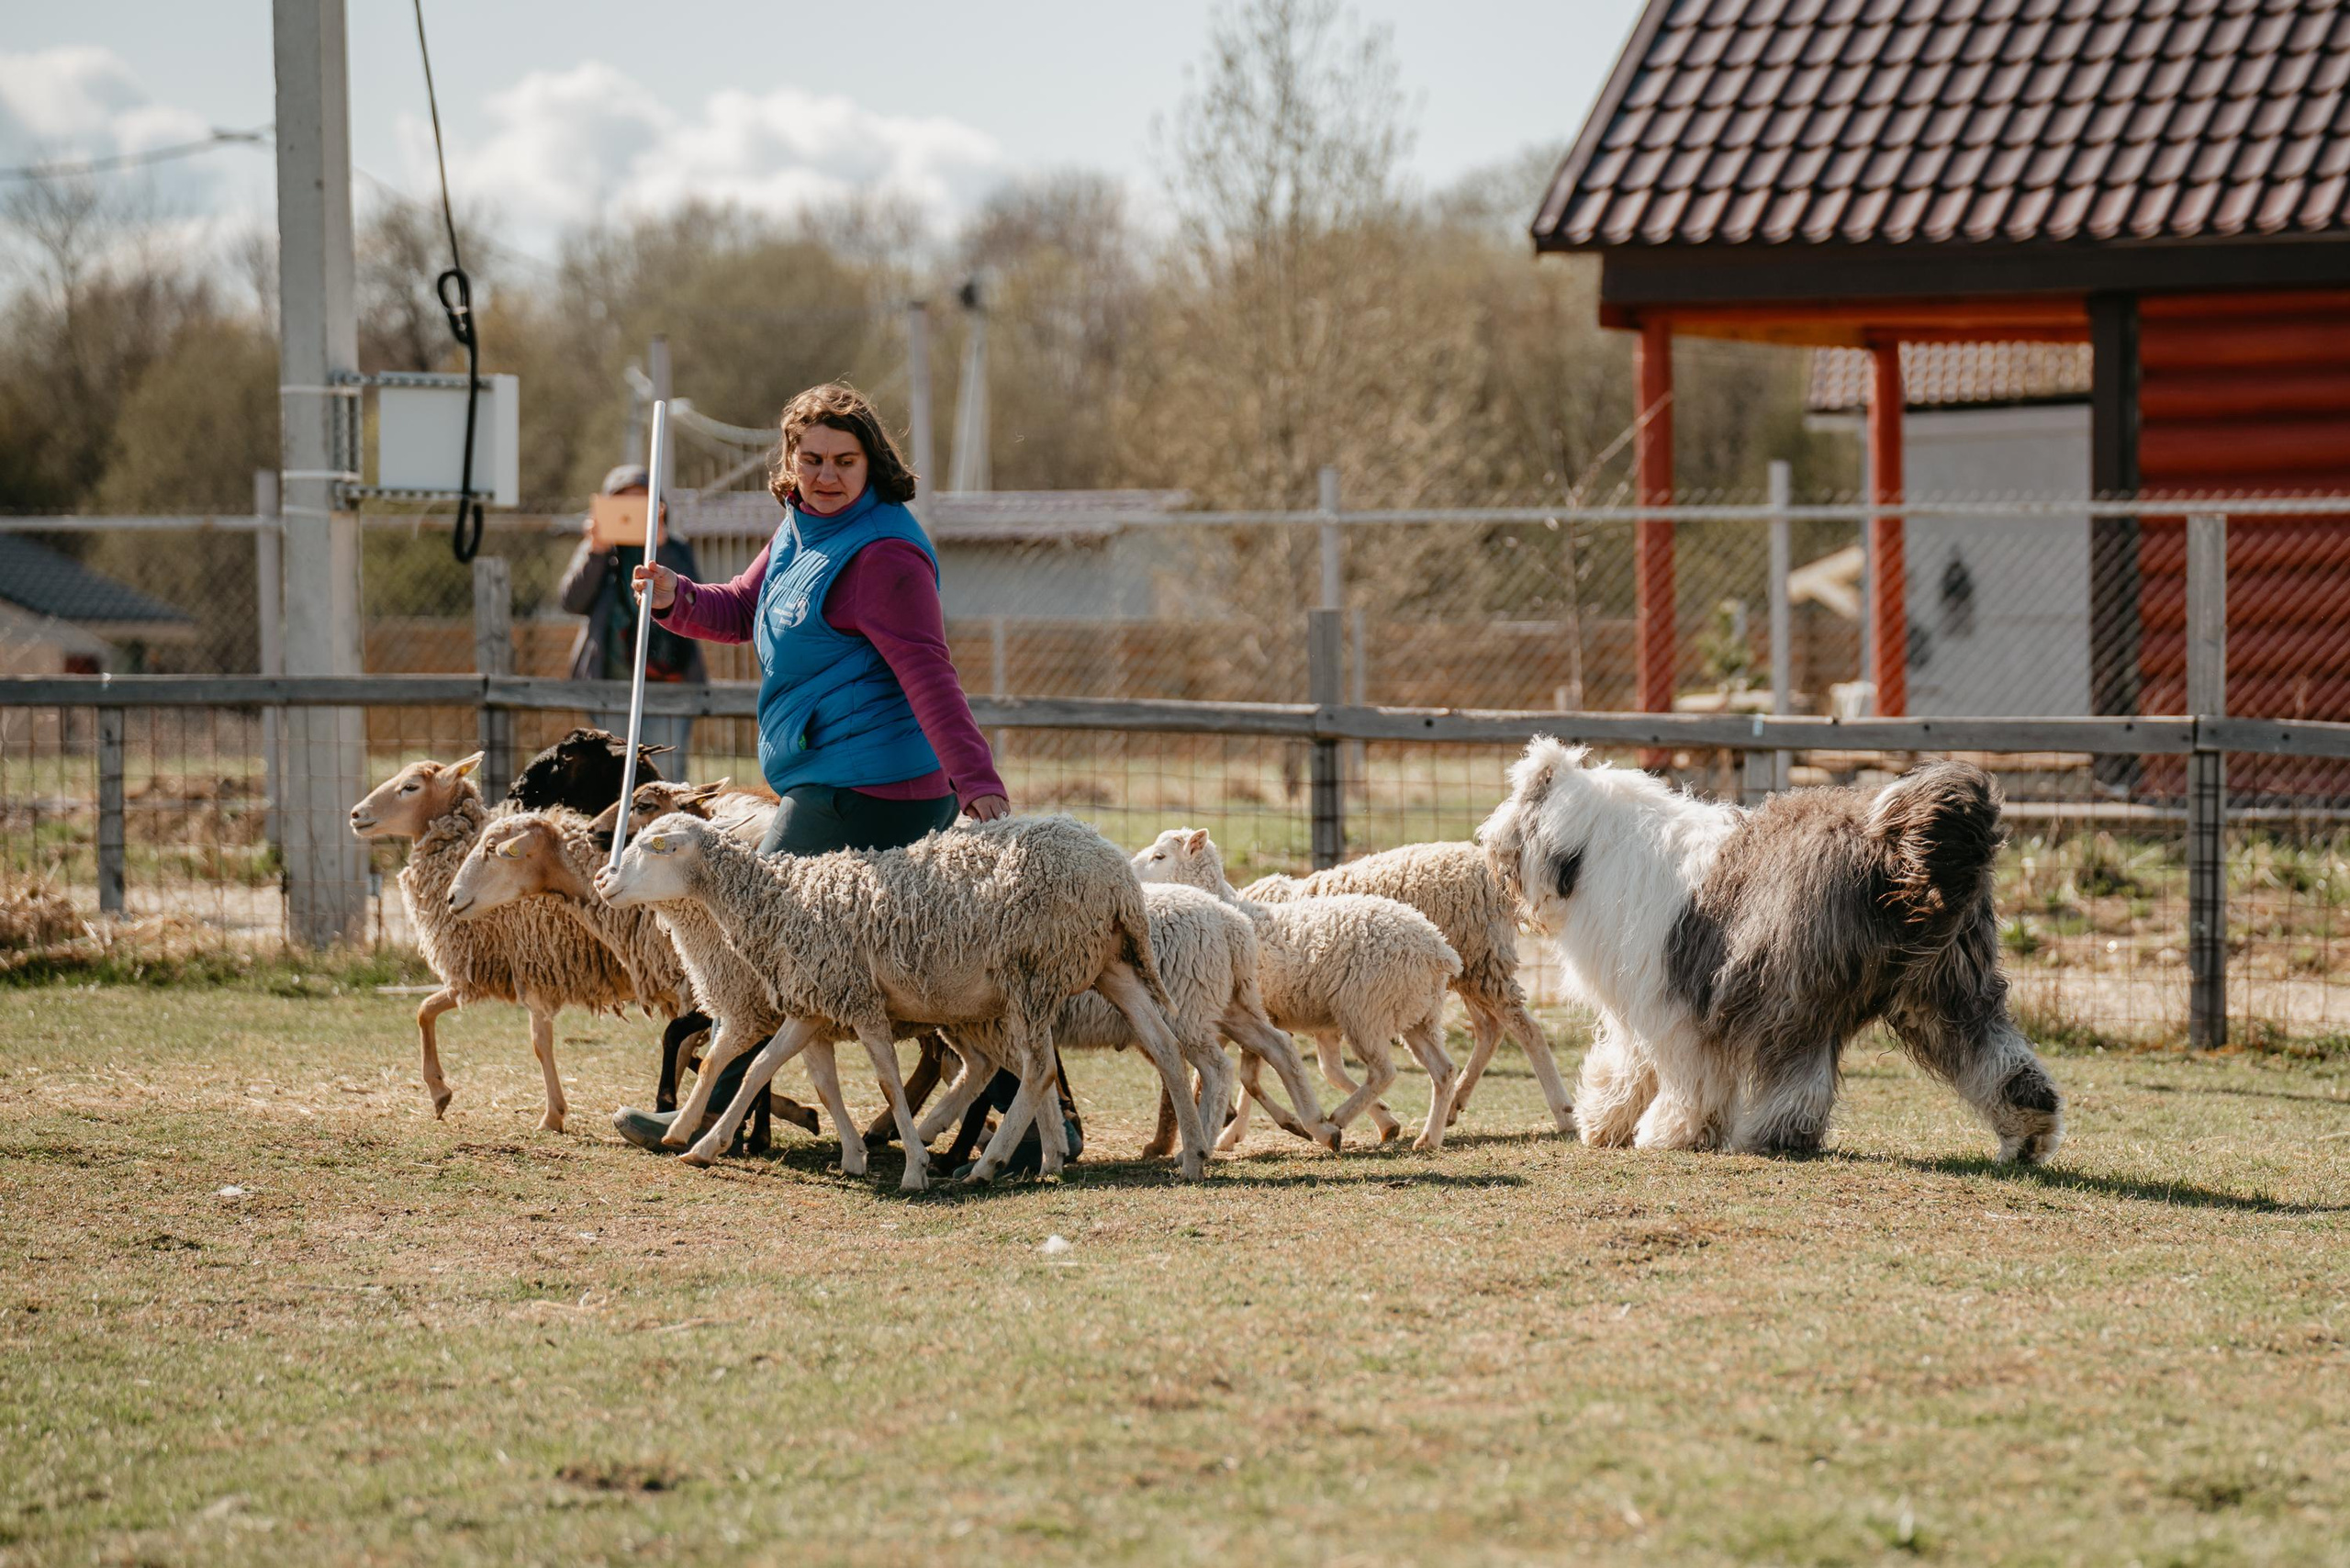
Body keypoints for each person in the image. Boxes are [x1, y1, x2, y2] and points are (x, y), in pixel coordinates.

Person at [607, 384, 1080, 1171]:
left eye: (844, 461)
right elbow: (741, 609)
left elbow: (929, 673)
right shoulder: (800, 527)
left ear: (872, 463)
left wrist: (977, 781)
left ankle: (707, 1118)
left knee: (769, 933)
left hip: (873, 786)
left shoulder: (883, 554)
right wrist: (674, 598)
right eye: (812, 459)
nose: (827, 475)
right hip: (820, 774)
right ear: (789, 463)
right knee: (914, 960)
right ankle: (1032, 1122)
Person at [558, 464, 704, 778]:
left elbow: (694, 601)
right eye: (623, 503)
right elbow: (572, 601)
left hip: (669, 687)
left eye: (642, 504)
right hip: (610, 685)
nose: (632, 512)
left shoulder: (674, 548)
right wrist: (595, 550)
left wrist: (661, 546)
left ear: (659, 509)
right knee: (612, 776)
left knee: (665, 776)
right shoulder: (598, 551)